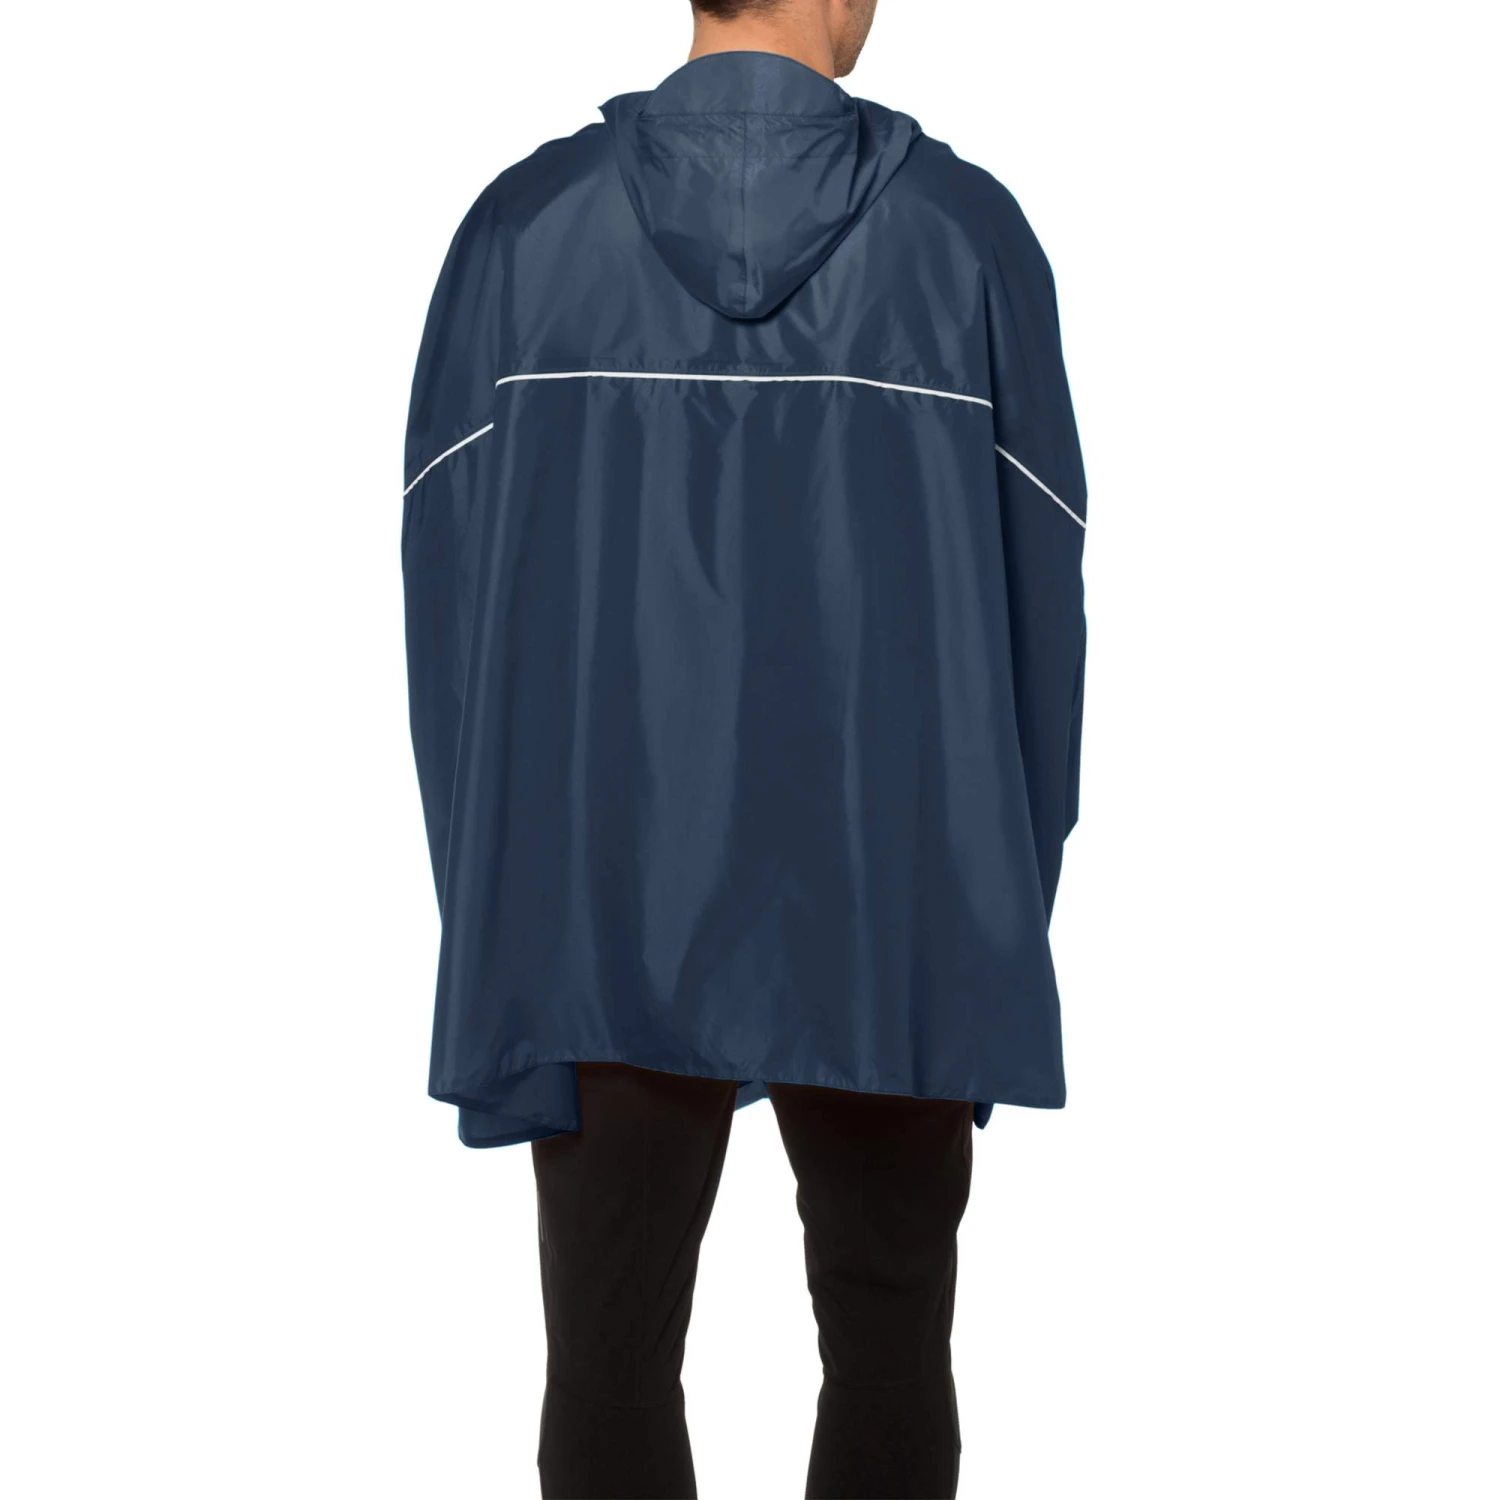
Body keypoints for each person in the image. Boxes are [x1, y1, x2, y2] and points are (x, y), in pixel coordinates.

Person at [401, 0, 1087, 1493]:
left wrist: (503, 916)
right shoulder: (966, 237)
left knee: (607, 1360)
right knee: (891, 1343)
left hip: (598, 908)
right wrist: (991, 914)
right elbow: (1044, 621)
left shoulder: (522, 233)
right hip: (896, 898)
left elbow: (449, 617)